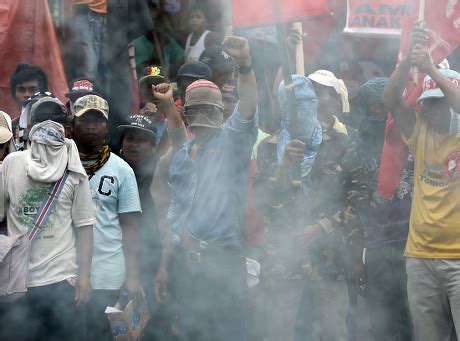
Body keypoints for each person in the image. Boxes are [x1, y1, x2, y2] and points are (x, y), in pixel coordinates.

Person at [154, 35, 258, 341]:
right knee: (189, 333)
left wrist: (245, 64)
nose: (201, 115)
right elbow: (177, 135)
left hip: (222, 266)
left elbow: (249, 106)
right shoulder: (185, 152)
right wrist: (165, 268)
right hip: (187, 267)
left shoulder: (232, 141)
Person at [383, 21, 460, 340]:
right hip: (419, 256)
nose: (428, 108)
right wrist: (408, 63)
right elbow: (391, 101)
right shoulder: (420, 132)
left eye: (436, 100)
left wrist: (432, 68)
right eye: (425, 101)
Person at [0, 95, 95, 341]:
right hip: (18, 283)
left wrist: (84, 277)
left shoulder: (73, 169)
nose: (50, 125)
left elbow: (85, 225)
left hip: (63, 281)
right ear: (30, 128)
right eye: (44, 120)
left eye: (56, 121)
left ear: (66, 129)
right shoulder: (11, 164)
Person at [71, 94, 142, 340]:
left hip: (108, 276)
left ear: (107, 126)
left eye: (98, 120)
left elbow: (130, 228)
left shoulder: (121, 169)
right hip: (66, 273)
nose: (91, 125)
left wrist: (132, 276)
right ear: (73, 124)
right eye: (84, 119)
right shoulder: (61, 165)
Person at [118, 114, 171, 340]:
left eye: (142, 139)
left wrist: (163, 268)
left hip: (151, 266)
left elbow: (167, 226)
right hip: (115, 265)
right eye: (130, 138)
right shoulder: (112, 171)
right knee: (117, 330)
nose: (134, 144)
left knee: (153, 330)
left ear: (153, 146)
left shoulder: (159, 177)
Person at [9, 63, 48, 148]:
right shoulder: (9, 128)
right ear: (14, 94)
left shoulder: (55, 125)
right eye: (21, 90)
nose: (27, 95)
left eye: (32, 89)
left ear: (43, 94)